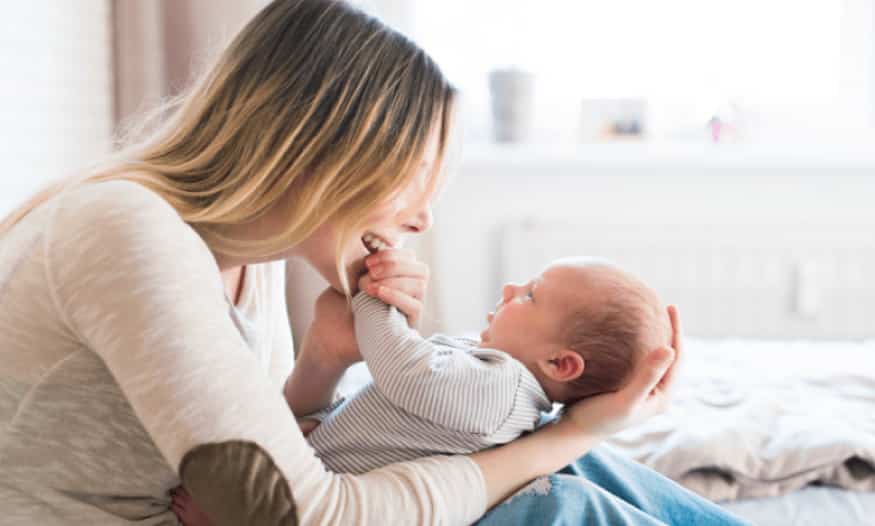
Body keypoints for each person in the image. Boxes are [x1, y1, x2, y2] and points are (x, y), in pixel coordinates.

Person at [0, 1, 747, 524]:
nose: (422, 217)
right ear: (320, 152)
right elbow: (299, 513)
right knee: (551, 490)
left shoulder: (242, 252)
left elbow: (244, 449)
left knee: (559, 467)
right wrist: (571, 434)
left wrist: (322, 363)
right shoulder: (129, 232)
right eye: (411, 178)